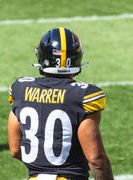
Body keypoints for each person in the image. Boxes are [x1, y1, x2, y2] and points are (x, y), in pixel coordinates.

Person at [7, 27, 114, 180]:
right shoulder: (84, 95)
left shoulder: (20, 89)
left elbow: (15, 149)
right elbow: (96, 160)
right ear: (77, 57)